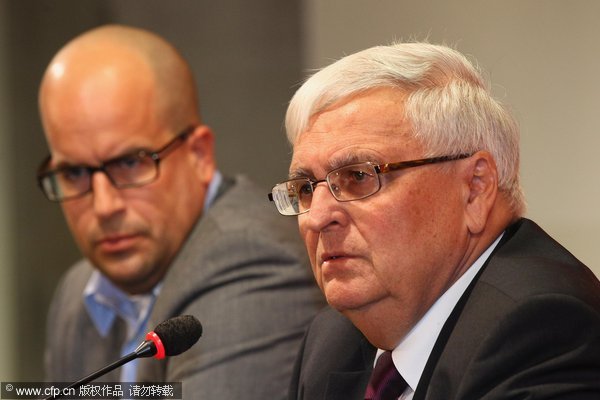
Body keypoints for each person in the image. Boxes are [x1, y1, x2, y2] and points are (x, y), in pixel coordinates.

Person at [268, 42, 600, 399]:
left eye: (359, 177)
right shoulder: (333, 339)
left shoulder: (543, 327)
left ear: (475, 188)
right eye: (304, 188)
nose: (317, 217)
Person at [37, 24, 323, 398]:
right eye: (74, 173)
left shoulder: (255, 261)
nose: (104, 206)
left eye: (131, 163)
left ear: (199, 155)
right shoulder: (79, 293)